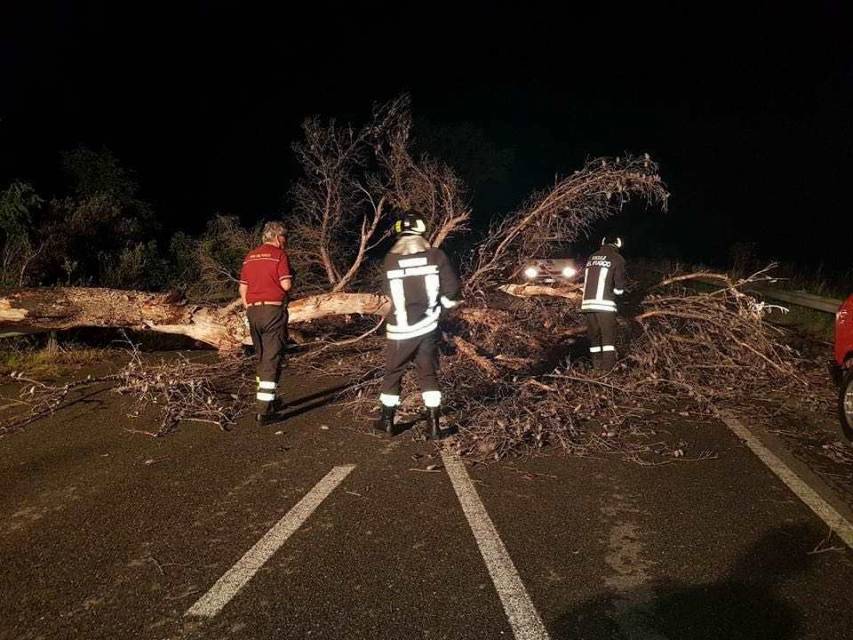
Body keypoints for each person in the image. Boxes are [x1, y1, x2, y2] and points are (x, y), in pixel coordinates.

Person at [377, 212, 462, 439]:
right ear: (421, 231)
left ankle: (387, 422)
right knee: (428, 373)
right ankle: (434, 425)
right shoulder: (436, 256)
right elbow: (452, 290)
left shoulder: (390, 260)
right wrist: (443, 306)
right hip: (427, 327)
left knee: (393, 374)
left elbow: (386, 294)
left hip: (399, 329)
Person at [238, 221, 292, 424]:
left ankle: (268, 399)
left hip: (253, 311)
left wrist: (249, 308)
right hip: (273, 310)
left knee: (262, 358)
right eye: (284, 237)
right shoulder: (279, 255)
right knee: (272, 359)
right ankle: (264, 411)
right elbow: (286, 284)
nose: (285, 242)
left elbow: (242, 289)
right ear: (278, 237)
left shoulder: (250, 256)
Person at [581, 235, 625, 370]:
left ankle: (596, 368)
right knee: (608, 340)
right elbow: (619, 287)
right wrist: (618, 295)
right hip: (605, 305)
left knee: (594, 339)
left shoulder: (591, 257)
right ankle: (607, 372)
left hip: (587, 304)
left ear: (603, 243)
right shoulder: (617, 259)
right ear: (618, 244)